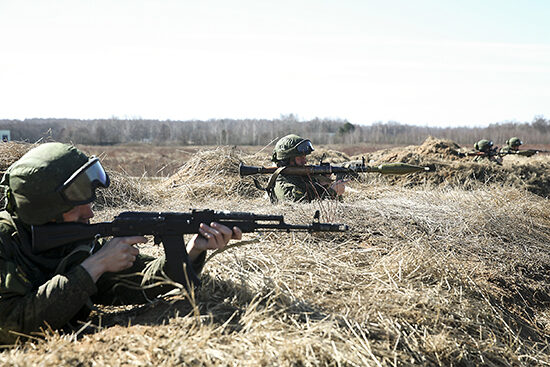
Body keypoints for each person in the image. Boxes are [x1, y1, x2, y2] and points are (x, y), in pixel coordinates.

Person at [0, 142, 242, 344]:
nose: (89, 214)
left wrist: (193, 249)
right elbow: (11, 328)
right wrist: (94, 267)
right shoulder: (4, 243)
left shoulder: (72, 240)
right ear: (44, 210)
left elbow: (138, 283)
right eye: (76, 205)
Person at [270, 134, 345, 202]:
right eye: (300, 157)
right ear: (288, 159)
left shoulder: (300, 178)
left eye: (304, 157)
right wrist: (333, 192)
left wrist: (323, 185)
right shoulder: (284, 186)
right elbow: (304, 209)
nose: (305, 162)